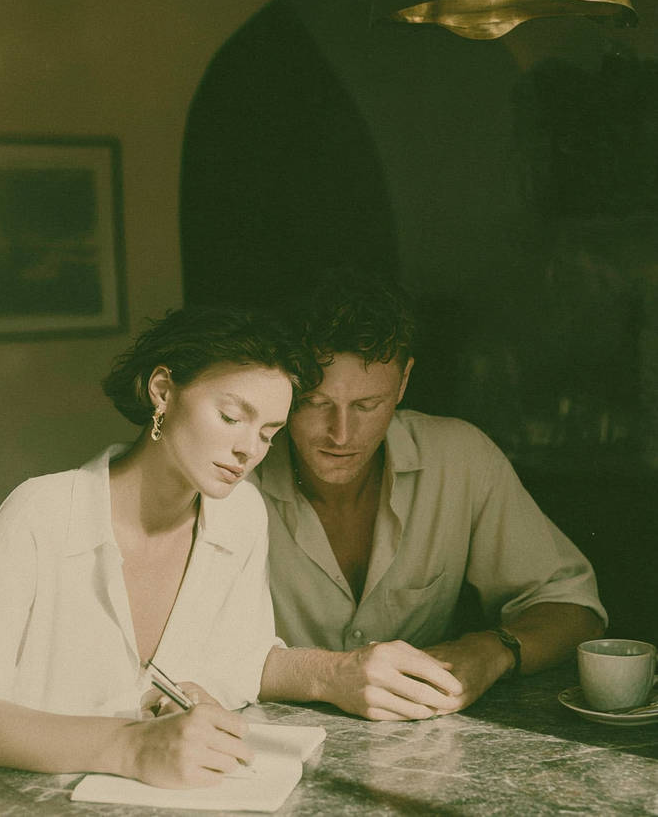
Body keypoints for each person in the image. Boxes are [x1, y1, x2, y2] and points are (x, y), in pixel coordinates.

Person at [0, 305, 318, 787]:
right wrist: (130, 745)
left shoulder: (241, 514)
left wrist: (192, 696)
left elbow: (237, 662)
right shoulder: (43, 513)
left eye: (269, 434)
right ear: (163, 391)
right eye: (230, 416)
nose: (250, 450)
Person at [252, 271, 607, 721]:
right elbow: (174, 652)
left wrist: (489, 649)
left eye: (367, 405)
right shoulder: (235, 472)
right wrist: (330, 674)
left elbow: (575, 608)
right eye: (315, 402)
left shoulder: (461, 458)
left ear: (402, 384)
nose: (341, 434)